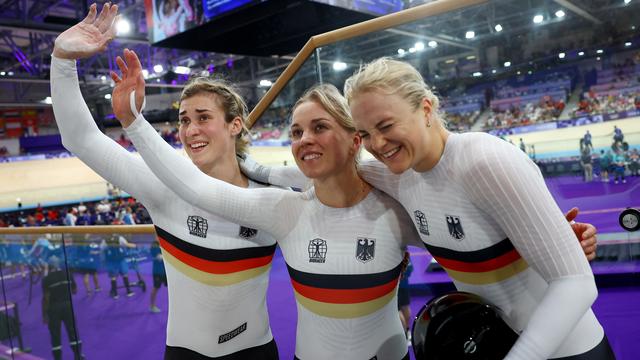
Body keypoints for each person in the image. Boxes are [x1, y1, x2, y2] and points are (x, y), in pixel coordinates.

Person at [341, 58, 613, 359]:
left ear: (427, 109)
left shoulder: (485, 162)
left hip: (568, 350)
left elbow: (577, 284)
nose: (377, 144)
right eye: (364, 134)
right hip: (494, 344)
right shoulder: (398, 174)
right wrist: (276, 176)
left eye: (386, 125)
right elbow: (332, 171)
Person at [51, 4, 278, 358]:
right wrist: (62, 60)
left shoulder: (272, 197)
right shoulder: (164, 189)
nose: (190, 130)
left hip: (258, 351)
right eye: (184, 120)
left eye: (203, 117)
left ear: (236, 125)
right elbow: (81, 138)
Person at [42, 255, 83, 360]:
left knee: (55, 335)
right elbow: (74, 291)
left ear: (49, 266)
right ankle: (78, 356)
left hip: (54, 308)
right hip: (68, 306)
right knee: (73, 331)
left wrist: (44, 314)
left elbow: (46, 298)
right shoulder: (68, 274)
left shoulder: (46, 279)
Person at [149, 240, 166, 313]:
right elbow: (159, 257)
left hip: (166, 272)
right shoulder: (154, 246)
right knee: (155, 288)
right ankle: (152, 306)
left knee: (173, 288)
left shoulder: (164, 244)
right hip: (158, 272)